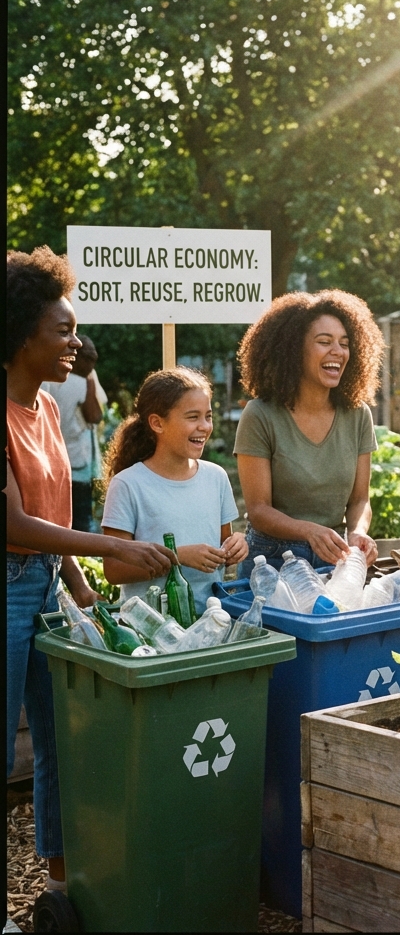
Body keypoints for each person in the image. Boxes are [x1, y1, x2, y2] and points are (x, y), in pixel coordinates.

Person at [6, 247, 173, 896]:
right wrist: (111, 551)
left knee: (60, 744)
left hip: (47, 584)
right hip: (9, 586)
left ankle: (58, 886)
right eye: (63, 330)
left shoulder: (48, 408)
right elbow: (13, 524)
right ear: (22, 335)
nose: (77, 342)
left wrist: (80, 585)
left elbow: (51, 512)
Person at [233, 290, 385, 577]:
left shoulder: (357, 414)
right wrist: (309, 531)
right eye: (324, 342)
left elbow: (359, 500)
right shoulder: (260, 414)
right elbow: (259, 509)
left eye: (344, 343)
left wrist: (357, 532)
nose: (338, 352)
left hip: (333, 556)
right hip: (271, 561)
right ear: (293, 350)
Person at [100, 368, 248, 606]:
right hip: (151, 625)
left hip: (212, 618)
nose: (204, 427)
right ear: (157, 423)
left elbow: (223, 546)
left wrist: (236, 546)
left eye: (208, 416)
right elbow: (115, 570)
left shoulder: (216, 477)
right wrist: (178, 557)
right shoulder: (128, 484)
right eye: (192, 417)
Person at [41, 335, 107, 532]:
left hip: (54, 461)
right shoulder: (80, 382)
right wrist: (90, 383)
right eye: (89, 359)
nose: (92, 364)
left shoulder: (50, 379)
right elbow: (94, 415)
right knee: (81, 521)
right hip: (77, 463)